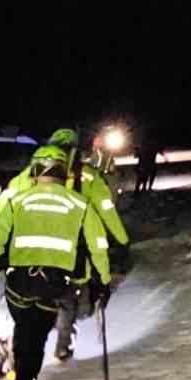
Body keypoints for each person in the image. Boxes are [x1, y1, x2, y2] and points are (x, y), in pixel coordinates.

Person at [0, 144, 111, 380]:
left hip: (17, 288)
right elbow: (98, 246)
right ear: (61, 171)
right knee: (34, 347)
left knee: (23, 335)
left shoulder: (16, 201)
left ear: (35, 170)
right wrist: (102, 281)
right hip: (50, 289)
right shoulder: (79, 204)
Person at [52, 129, 129, 360]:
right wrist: (122, 241)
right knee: (72, 289)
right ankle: (63, 341)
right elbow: (108, 208)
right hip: (78, 238)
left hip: (41, 238)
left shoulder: (36, 173)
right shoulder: (87, 173)